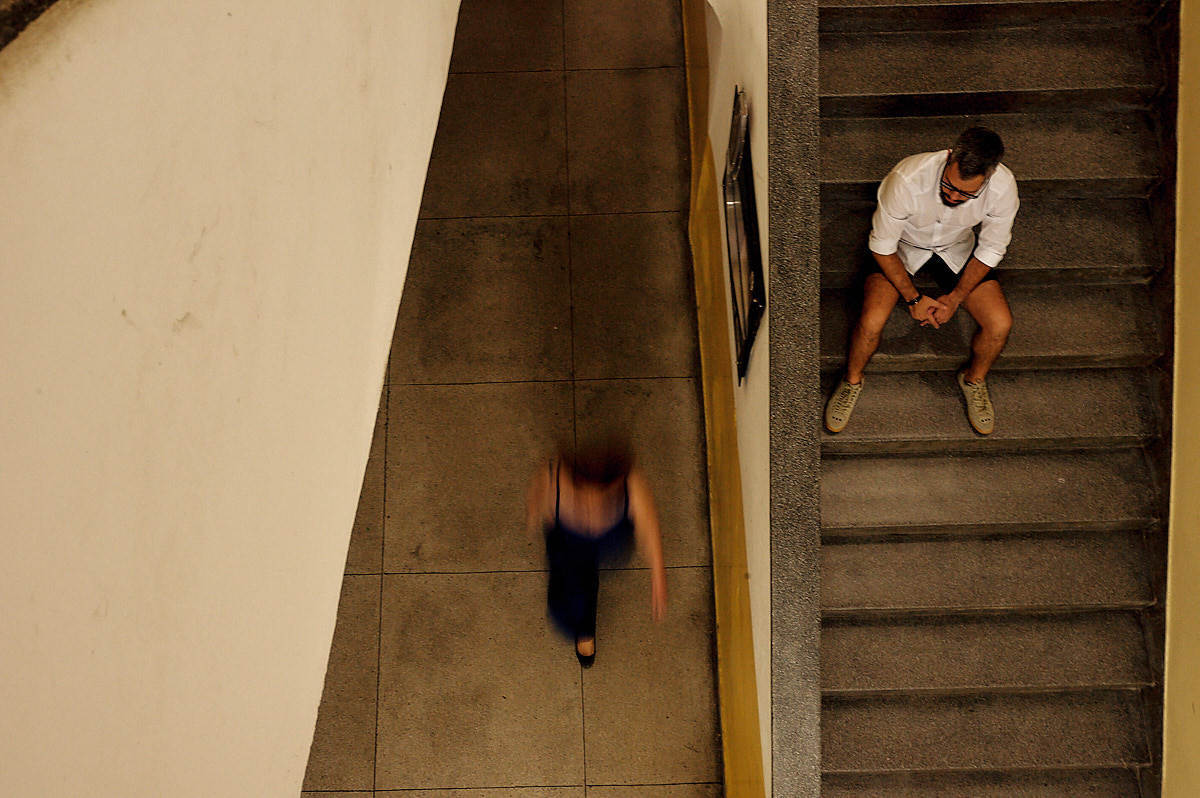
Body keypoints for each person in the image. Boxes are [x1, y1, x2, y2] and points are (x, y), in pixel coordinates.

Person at [824, 126, 1019, 435]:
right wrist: (913, 299)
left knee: (1000, 324)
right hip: (902, 247)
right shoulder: (907, 178)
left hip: (957, 247)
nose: (953, 196)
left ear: (989, 176)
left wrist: (955, 298)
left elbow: (992, 248)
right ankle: (851, 381)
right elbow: (883, 246)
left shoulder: (1004, 187)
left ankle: (974, 380)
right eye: (948, 186)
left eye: (966, 194)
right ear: (949, 157)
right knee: (872, 321)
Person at [526, 440, 667, 667]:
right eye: (585, 498)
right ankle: (584, 629)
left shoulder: (630, 483)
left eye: (605, 496)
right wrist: (535, 514)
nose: (594, 506)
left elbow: (648, 524)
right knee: (569, 595)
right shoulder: (554, 479)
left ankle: (584, 621)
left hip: (605, 541)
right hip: (568, 540)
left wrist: (658, 574)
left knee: (582, 579)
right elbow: (537, 501)